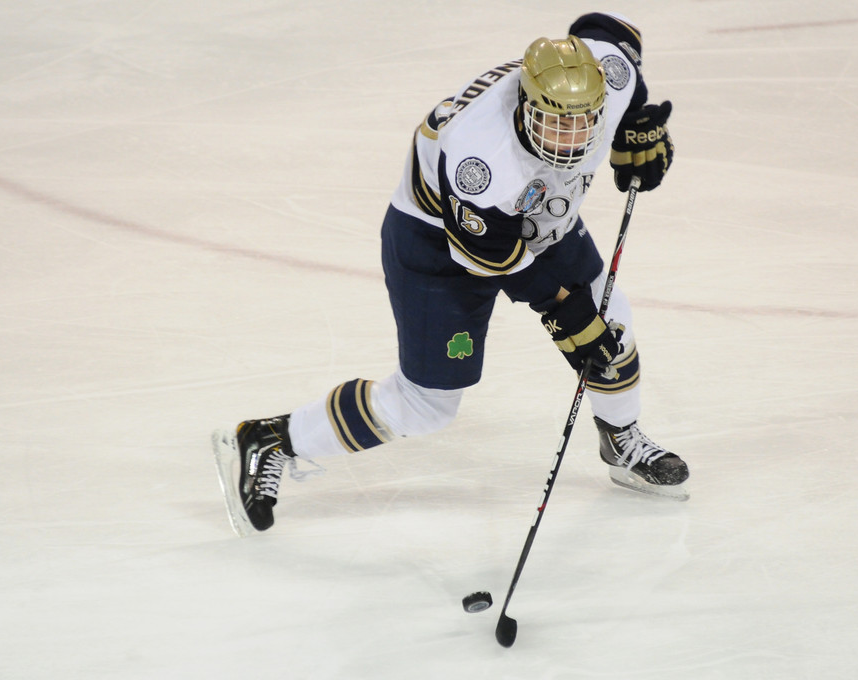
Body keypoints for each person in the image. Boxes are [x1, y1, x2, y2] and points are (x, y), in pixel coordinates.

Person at [213, 12, 689, 536]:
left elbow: (606, 29)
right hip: (437, 241)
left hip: (538, 216)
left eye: (585, 121)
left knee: (610, 323)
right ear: (526, 104)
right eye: (556, 122)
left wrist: (634, 124)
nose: (572, 138)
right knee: (426, 405)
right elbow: (494, 255)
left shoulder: (609, 79)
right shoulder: (480, 160)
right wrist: (565, 312)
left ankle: (621, 438)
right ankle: (272, 438)